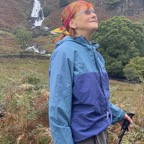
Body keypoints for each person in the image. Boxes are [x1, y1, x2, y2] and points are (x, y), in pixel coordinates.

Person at [48, 0, 133, 144]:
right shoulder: (65, 52)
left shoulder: (95, 54)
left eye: (94, 11)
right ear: (72, 23)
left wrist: (119, 114)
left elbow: (96, 99)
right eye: (87, 12)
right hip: (82, 137)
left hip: (101, 132)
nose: (94, 14)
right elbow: (58, 106)